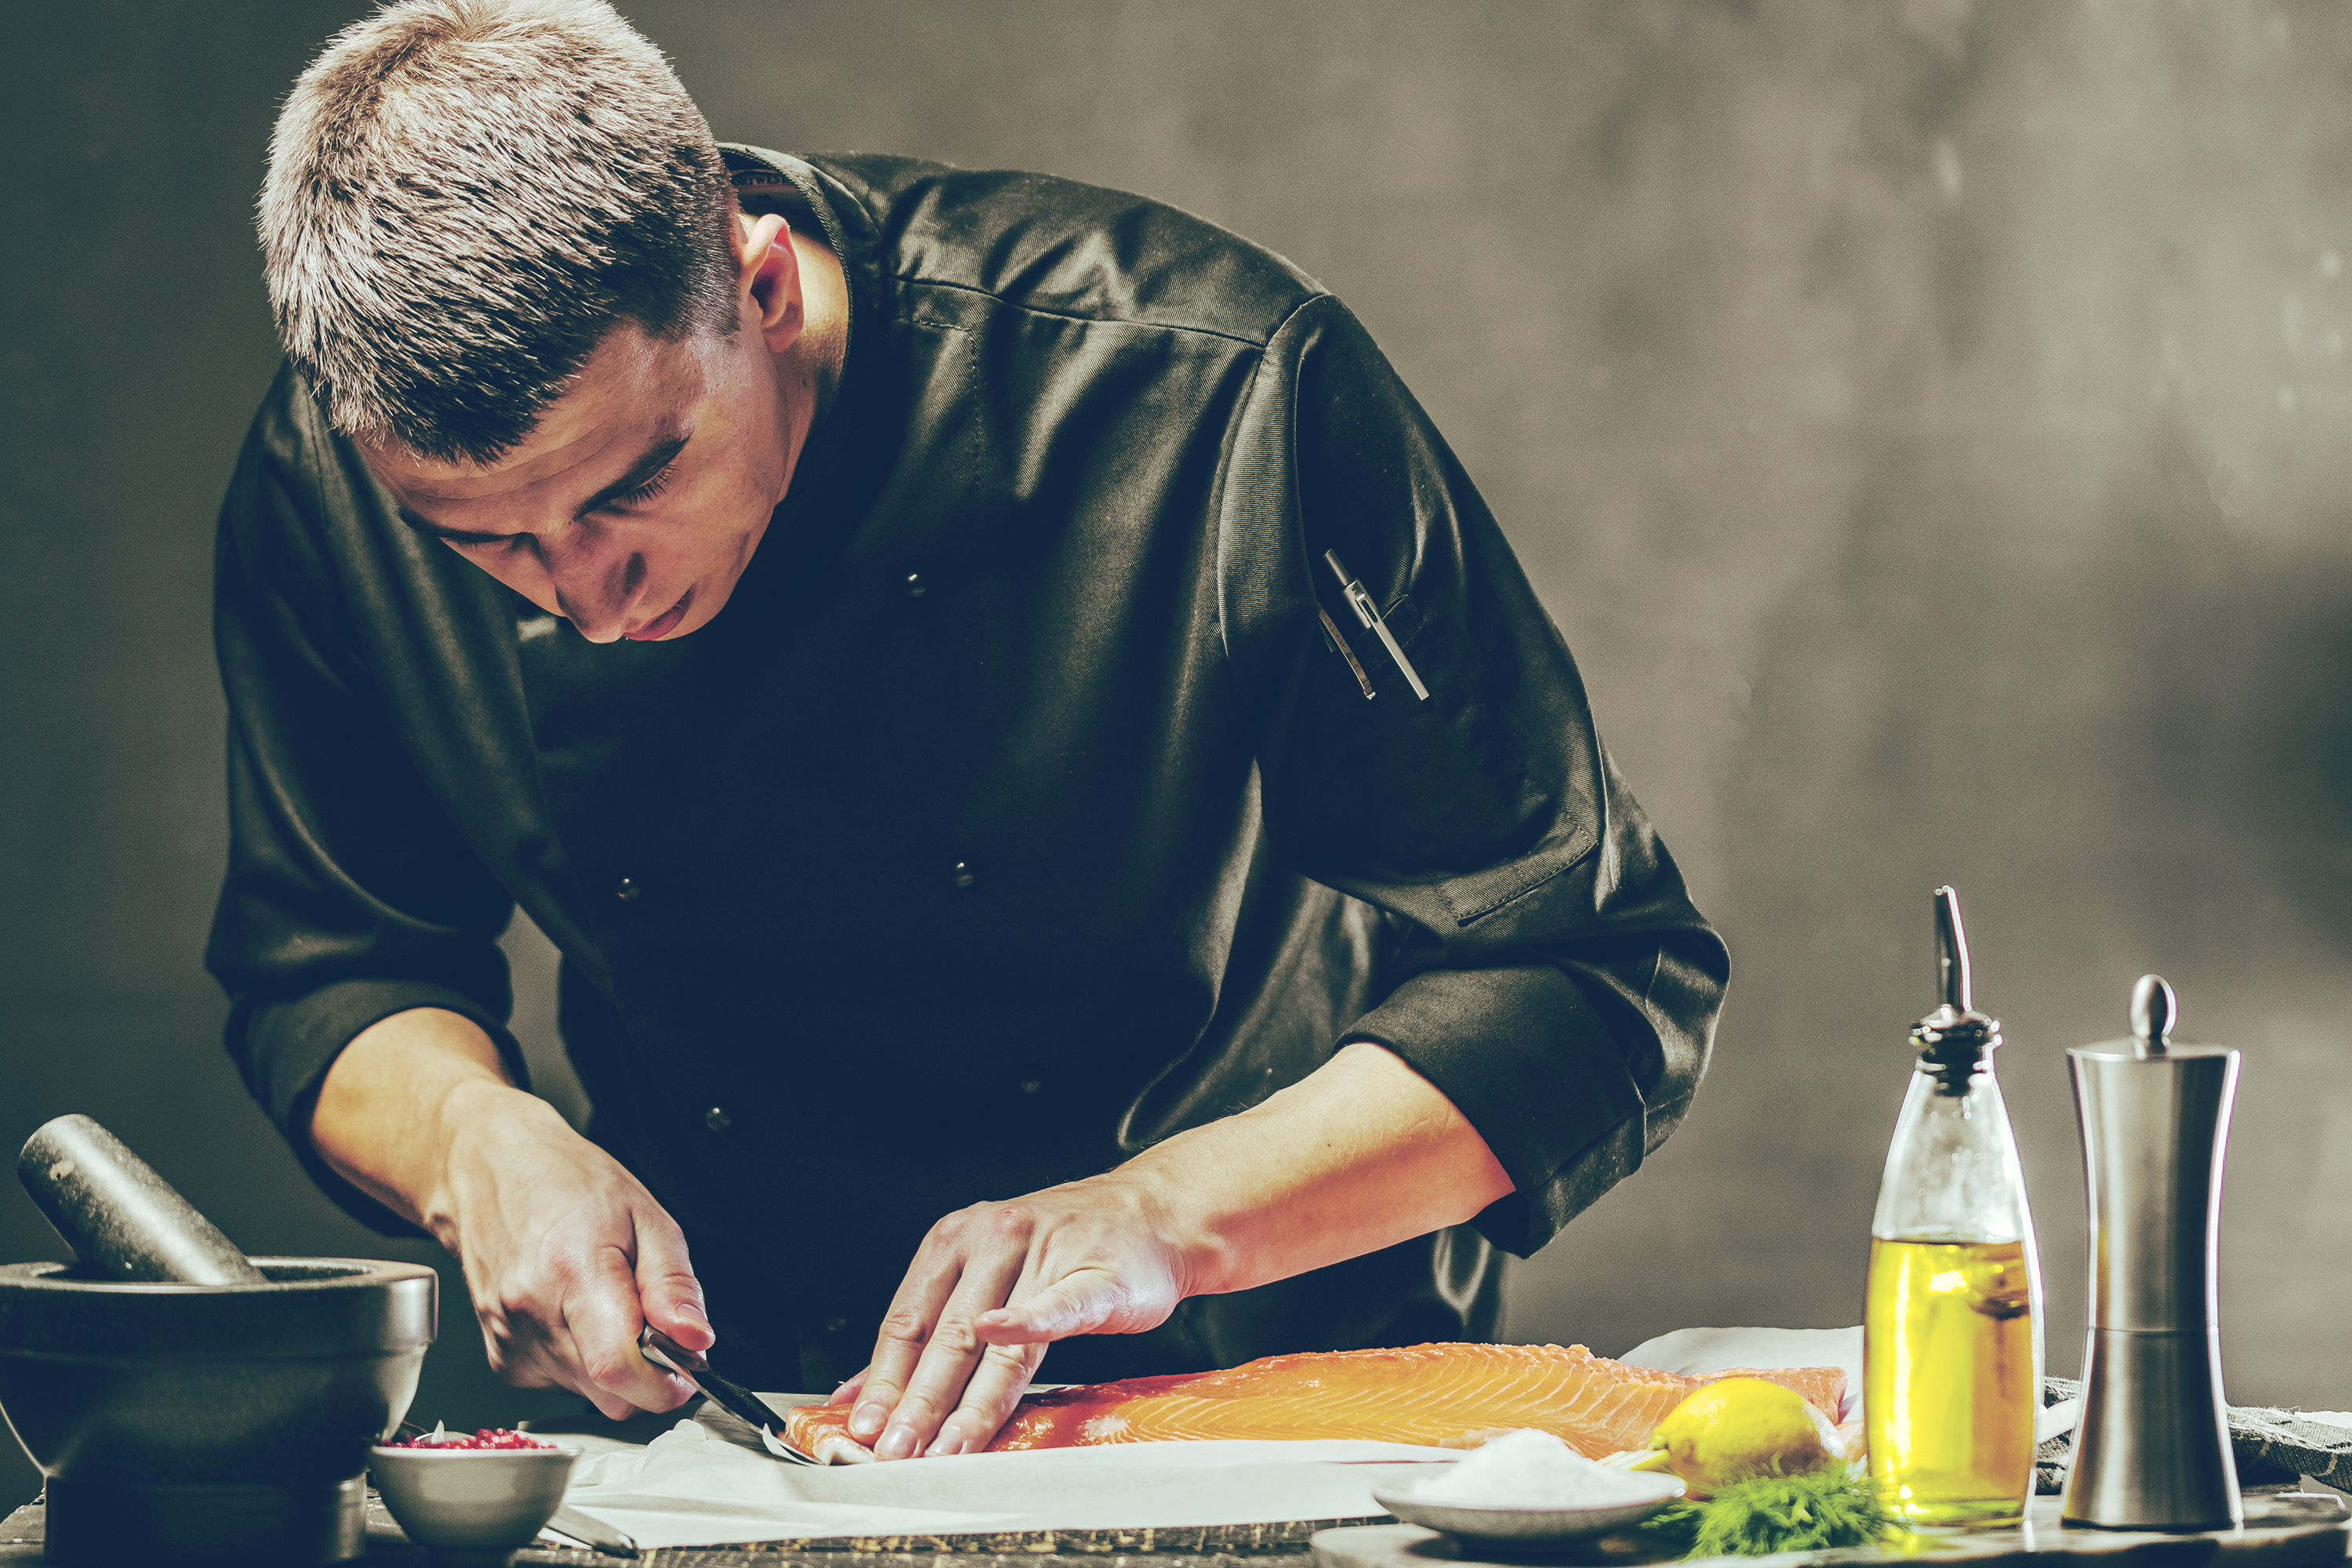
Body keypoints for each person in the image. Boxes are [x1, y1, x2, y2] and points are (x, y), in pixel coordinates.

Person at [207, 0, 1730, 1461]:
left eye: (634, 484)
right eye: (490, 546)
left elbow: (1586, 974)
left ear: (764, 286)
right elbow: (335, 966)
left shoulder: (1208, 392)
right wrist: (473, 1141)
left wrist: (1165, 1216)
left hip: (1267, 1393)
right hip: (748, 1421)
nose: (589, 598)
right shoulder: (327, 489)